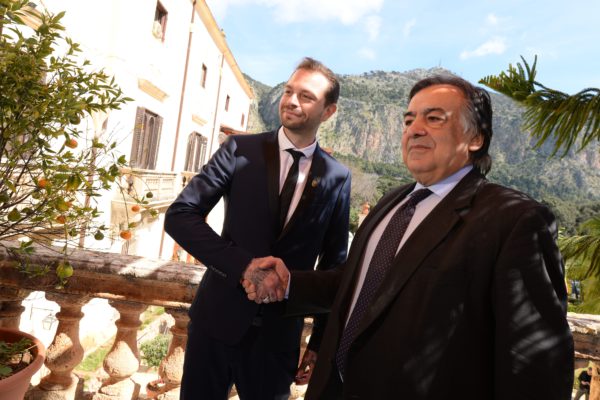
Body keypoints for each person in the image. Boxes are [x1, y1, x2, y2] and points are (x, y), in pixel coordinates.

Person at [244, 74, 574, 399]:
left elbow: (535, 367)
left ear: (475, 139)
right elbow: (357, 283)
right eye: (408, 120)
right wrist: (290, 283)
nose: (414, 129)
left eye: (434, 118)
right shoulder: (392, 202)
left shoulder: (515, 220)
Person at [163, 57, 351, 400]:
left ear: (328, 111)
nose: (291, 101)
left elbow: (335, 265)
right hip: (216, 323)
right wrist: (243, 266)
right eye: (289, 91)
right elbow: (180, 215)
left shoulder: (338, 177)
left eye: (306, 96)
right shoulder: (239, 149)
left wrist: (320, 341)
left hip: (279, 339)